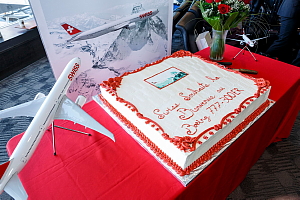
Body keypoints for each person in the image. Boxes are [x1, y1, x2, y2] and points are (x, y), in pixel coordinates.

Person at [265, 0, 300, 66]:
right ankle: (264, 56)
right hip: (290, 11)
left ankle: (286, 64)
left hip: (293, 11)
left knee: (290, 40)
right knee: (283, 39)